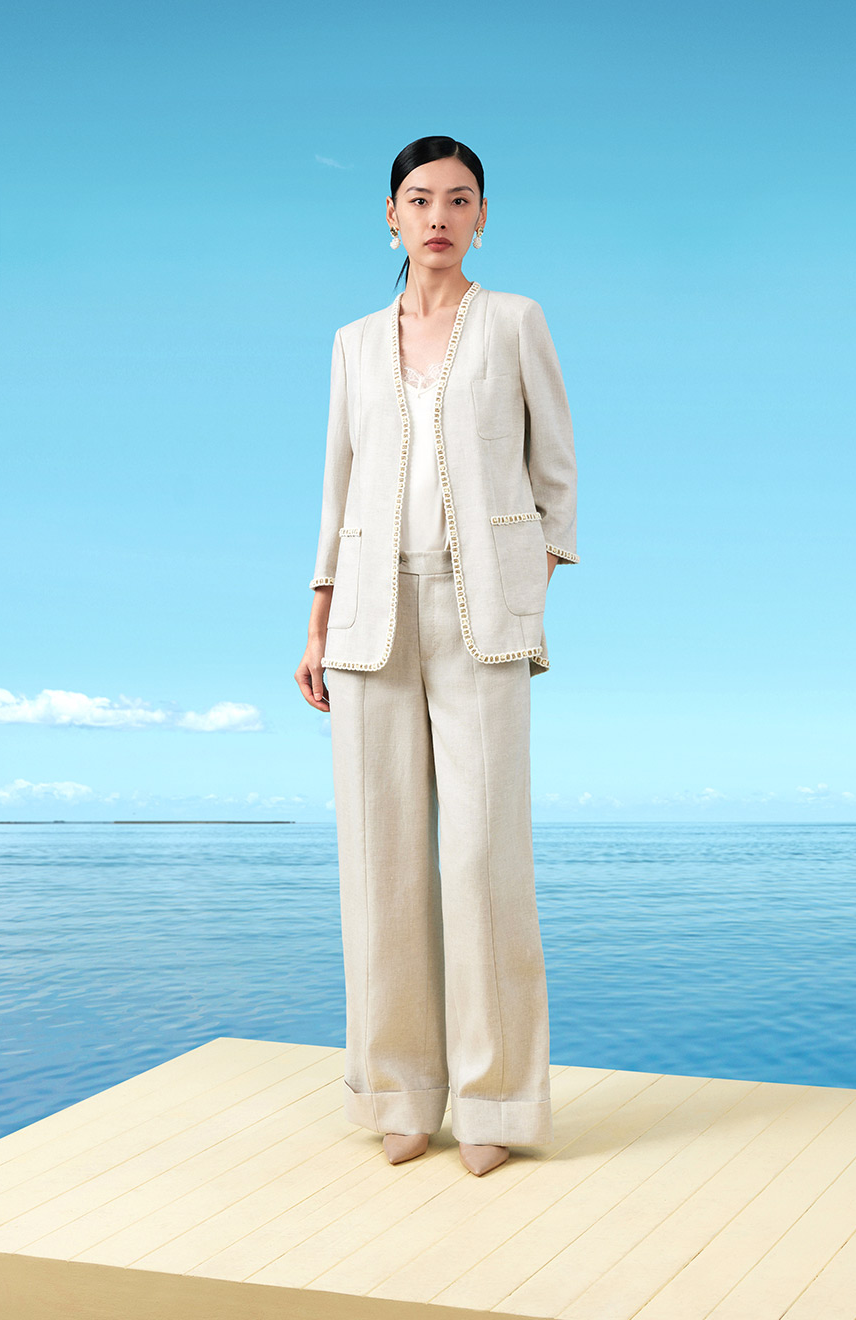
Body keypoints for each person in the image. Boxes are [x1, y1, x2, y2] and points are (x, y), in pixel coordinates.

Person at [296, 135, 579, 1177]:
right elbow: (336, 484)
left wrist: (531, 579)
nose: (439, 217)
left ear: (483, 217)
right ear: (390, 216)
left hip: (483, 609)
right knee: (380, 861)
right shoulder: (351, 343)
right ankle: (399, 1092)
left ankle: (496, 1100)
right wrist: (318, 620)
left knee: (484, 856)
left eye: (460, 200)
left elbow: (557, 471)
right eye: (420, 200)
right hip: (370, 613)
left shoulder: (516, 322)